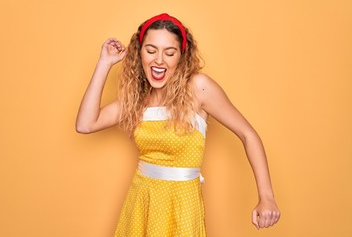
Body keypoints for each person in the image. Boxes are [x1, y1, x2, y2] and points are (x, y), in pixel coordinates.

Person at [76, 13, 280, 236]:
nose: (159, 60)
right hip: (141, 200)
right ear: (139, 53)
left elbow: (248, 134)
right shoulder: (137, 97)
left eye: (169, 53)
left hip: (182, 204)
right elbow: (86, 124)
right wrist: (104, 63)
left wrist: (266, 197)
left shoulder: (198, 88)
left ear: (181, 57)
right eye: (151, 50)